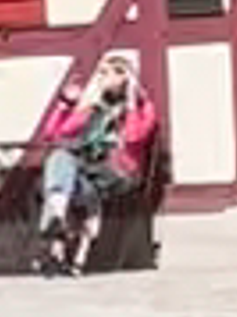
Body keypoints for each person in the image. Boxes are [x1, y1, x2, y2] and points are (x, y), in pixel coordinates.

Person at [26, 44, 158, 273]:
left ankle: (53, 245)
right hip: (88, 175)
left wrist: (130, 102)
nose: (107, 77)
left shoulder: (142, 108)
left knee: (60, 173)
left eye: (117, 71)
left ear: (129, 79)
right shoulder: (94, 108)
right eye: (103, 72)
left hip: (115, 173)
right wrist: (65, 104)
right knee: (59, 157)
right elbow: (53, 135)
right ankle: (58, 219)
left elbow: (133, 137)